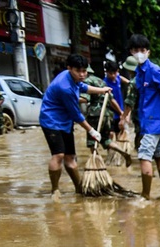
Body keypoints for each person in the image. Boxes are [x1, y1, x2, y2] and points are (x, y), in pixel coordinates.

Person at [39, 54, 112, 197]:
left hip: (65, 122)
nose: (82, 74)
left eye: (84, 71)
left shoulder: (73, 78)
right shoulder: (65, 87)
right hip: (51, 121)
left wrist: (102, 90)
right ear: (69, 68)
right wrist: (91, 131)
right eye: (78, 71)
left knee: (71, 157)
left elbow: (83, 87)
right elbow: (76, 115)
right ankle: (55, 190)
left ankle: (79, 188)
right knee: (59, 155)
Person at [128, 34, 160, 200]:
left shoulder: (154, 71)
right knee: (159, 155)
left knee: (144, 155)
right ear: (131, 52)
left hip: (155, 122)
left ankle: (145, 196)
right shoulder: (139, 72)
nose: (139, 53)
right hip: (148, 121)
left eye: (142, 50)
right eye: (136, 50)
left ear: (148, 52)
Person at [83, 65, 129, 166]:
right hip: (106, 115)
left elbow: (85, 99)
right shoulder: (101, 82)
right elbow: (112, 100)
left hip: (94, 115)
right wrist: (121, 112)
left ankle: (97, 164)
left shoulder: (86, 82)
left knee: (92, 141)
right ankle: (122, 152)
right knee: (106, 140)